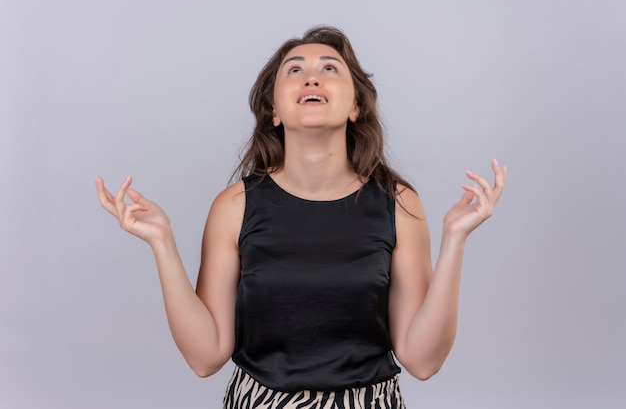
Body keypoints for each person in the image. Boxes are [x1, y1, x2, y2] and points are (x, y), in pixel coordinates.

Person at [95, 26, 506, 409]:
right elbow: (206, 358)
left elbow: (422, 361)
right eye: (295, 70)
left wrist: (455, 240)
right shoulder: (234, 206)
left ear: (356, 107)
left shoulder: (398, 204)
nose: (312, 78)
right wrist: (162, 243)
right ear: (274, 110)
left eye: (330, 69)